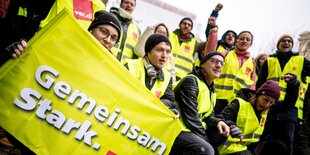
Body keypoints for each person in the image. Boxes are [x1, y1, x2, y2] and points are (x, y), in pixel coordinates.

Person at [1, 10, 122, 154]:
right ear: (91, 29)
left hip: (60, 135)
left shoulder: (110, 72)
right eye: (104, 31)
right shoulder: (60, 46)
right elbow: (29, 68)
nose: (108, 40)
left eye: (114, 38)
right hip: (31, 121)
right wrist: (14, 53)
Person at [256, 34, 310, 155]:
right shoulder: (269, 61)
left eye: (289, 41)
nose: (286, 43)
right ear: (278, 44)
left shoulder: (300, 60)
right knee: (267, 141)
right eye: (283, 41)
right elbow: (260, 84)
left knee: (288, 142)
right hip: (270, 107)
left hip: (291, 109)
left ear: (292, 45)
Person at [217, 77, 299, 155]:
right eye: (265, 99)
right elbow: (221, 118)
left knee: (279, 147)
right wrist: (231, 125)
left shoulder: (268, 109)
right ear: (258, 95)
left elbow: (288, 105)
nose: (266, 104)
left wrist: (293, 85)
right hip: (229, 149)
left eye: (271, 102)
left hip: (250, 148)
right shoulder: (239, 103)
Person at [170, 52, 230, 155]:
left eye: (221, 63)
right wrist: (207, 142)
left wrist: (218, 122)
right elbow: (191, 118)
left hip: (190, 130)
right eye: (214, 61)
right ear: (202, 65)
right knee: (207, 150)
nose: (219, 65)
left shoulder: (211, 89)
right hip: (177, 128)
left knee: (220, 134)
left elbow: (208, 116)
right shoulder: (191, 81)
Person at [125, 34, 179, 116]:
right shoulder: (130, 65)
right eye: (160, 50)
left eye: (168, 52)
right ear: (148, 51)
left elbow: (168, 99)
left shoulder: (167, 77)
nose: (164, 55)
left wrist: (167, 110)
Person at [214, 31, 256, 115]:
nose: (244, 41)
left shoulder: (252, 62)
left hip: (238, 103)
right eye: (242, 38)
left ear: (250, 44)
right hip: (218, 98)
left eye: (248, 39)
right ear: (236, 40)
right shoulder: (225, 54)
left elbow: (252, 84)